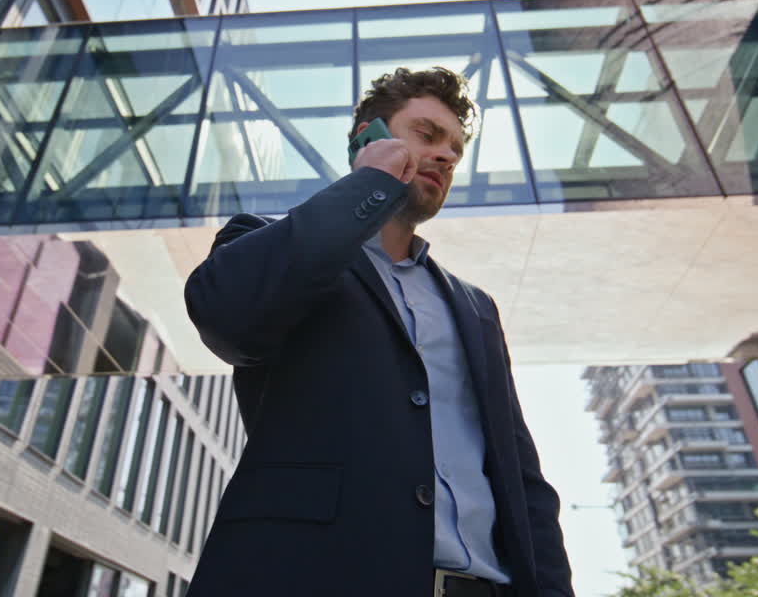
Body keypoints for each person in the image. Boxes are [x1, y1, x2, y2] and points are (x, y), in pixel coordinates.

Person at [184, 67, 575, 597]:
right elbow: (228, 319)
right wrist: (368, 186)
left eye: (456, 148)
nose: (447, 156)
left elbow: (522, 478)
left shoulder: (476, 308)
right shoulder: (266, 245)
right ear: (369, 136)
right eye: (427, 134)